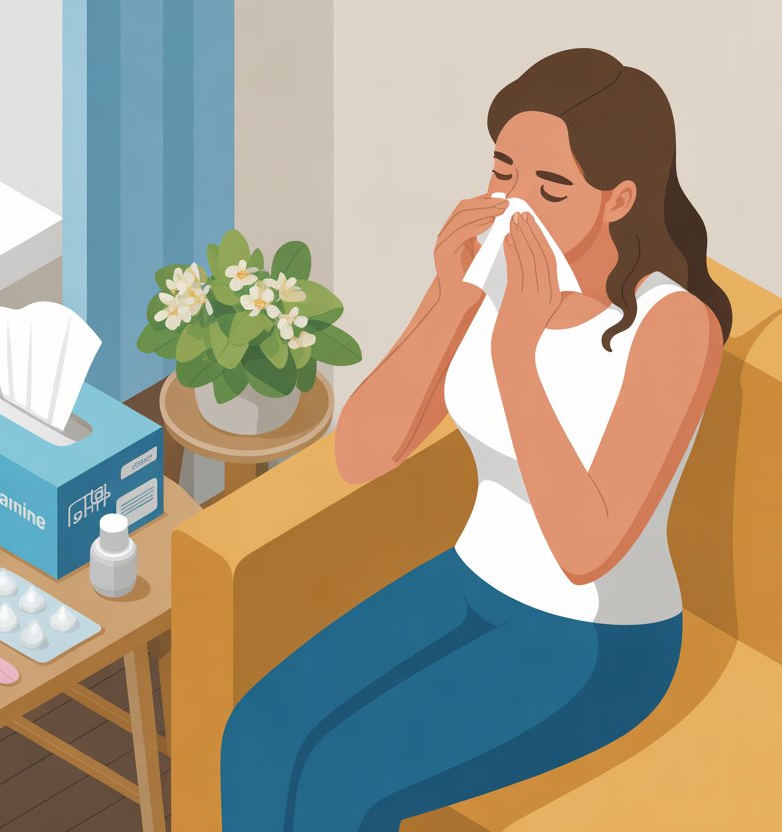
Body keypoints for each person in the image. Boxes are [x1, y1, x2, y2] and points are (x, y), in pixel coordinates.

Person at [219, 47, 733, 831]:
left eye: (551, 188)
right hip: (468, 584)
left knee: (340, 783)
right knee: (257, 732)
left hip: (597, 640)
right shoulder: (490, 275)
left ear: (619, 197)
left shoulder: (674, 328)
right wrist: (451, 292)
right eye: (502, 174)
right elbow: (363, 455)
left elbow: (586, 548)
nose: (517, 206)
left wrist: (515, 353)